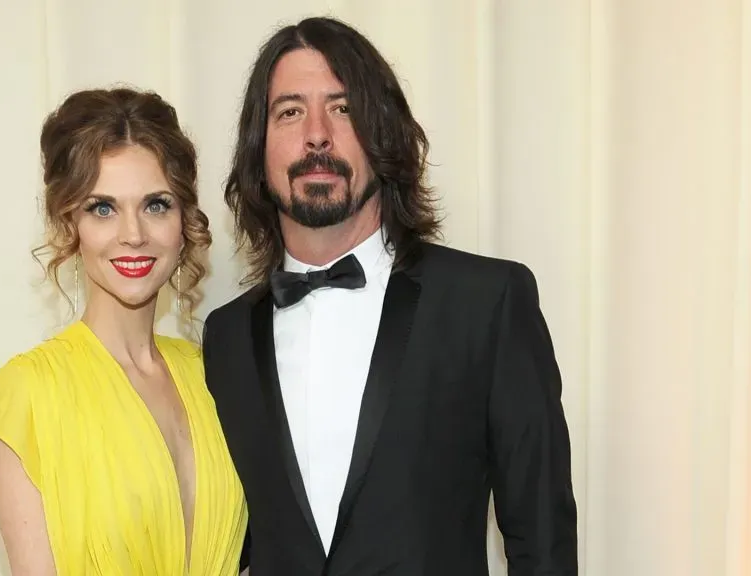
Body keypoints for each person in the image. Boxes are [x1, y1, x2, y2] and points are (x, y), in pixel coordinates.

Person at [201, 16, 577, 575]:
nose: (317, 134)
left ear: (384, 136)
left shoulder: (488, 303)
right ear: (259, 149)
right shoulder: (226, 335)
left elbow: (542, 542)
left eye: (343, 107)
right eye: (290, 111)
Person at [0, 87, 248, 576]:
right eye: (102, 208)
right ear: (69, 224)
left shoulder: (212, 373)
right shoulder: (31, 391)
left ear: (184, 221)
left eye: (156, 204)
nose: (133, 233)